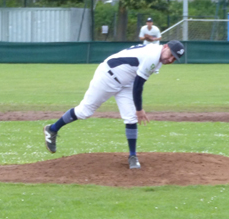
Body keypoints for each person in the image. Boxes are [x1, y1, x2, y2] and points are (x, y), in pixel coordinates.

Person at [43, 40, 185, 170]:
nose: (170, 59)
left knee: (131, 118)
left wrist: (136, 110)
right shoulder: (153, 56)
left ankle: (133, 156)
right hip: (108, 77)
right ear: (165, 46)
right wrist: (139, 109)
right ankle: (52, 129)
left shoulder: (158, 56)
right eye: (170, 54)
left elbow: (135, 81)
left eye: (174, 59)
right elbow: (138, 86)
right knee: (84, 111)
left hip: (126, 81)